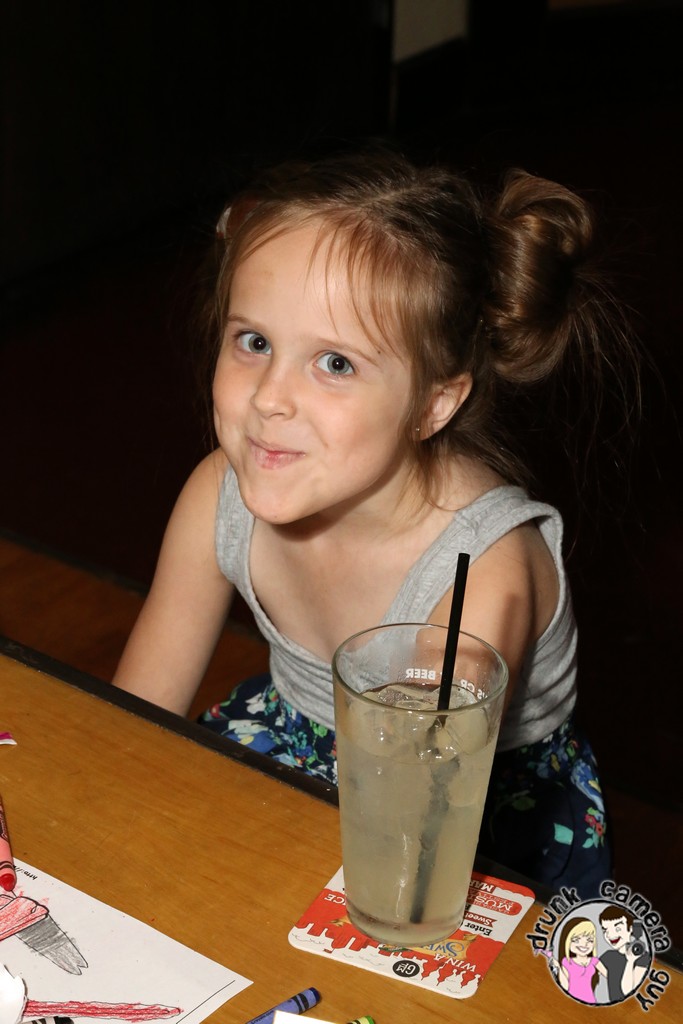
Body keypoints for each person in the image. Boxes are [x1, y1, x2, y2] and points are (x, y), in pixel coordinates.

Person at [113, 147, 637, 895]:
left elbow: (415, 841)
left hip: (465, 816)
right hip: (294, 744)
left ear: (434, 404)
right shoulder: (216, 494)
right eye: (254, 342)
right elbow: (129, 725)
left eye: (335, 363)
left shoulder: (482, 573)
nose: (269, 398)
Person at [599, 906, 650, 1001]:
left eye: (617, 929)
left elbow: (627, 991)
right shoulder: (608, 956)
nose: (610, 935)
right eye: (605, 930)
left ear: (630, 929)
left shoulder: (643, 957)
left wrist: (630, 961)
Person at [552, 917, 607, 1003]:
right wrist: (558, 967)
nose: (584, 944)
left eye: (590, 940)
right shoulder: (567, 962)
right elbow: (565, 986)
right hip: (570, 1001)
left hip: (590, 1001)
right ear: (567, 941)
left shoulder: (594, 961)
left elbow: (610, 977)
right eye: (576, 940)